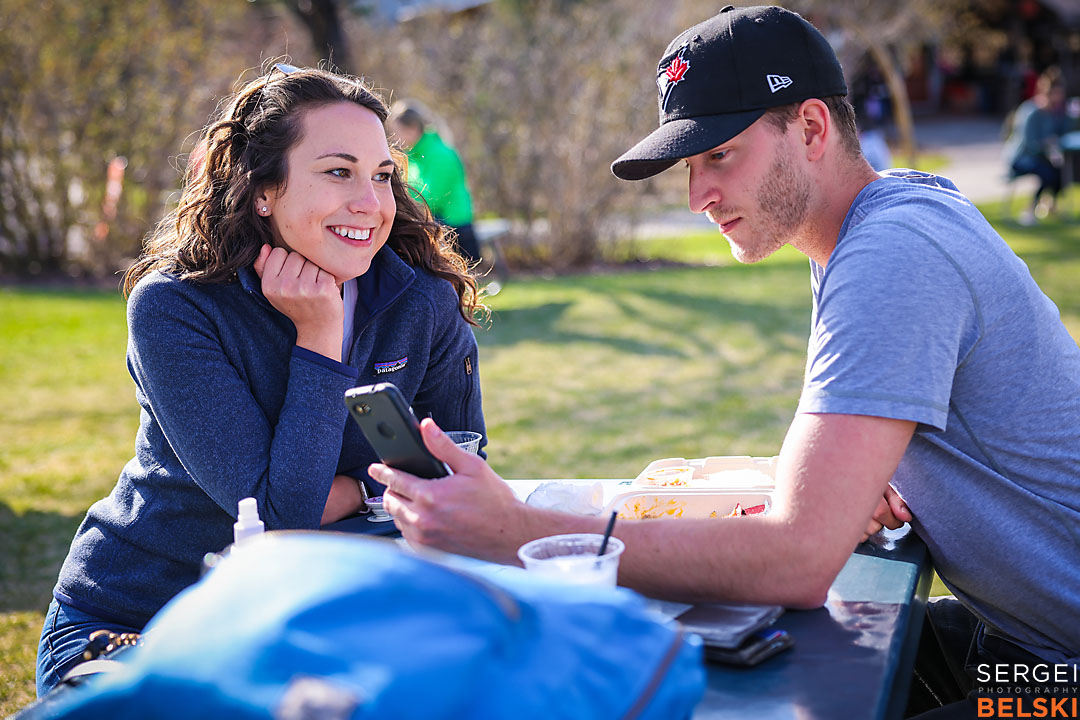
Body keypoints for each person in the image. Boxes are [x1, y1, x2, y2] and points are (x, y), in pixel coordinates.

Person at [370, 6, 1080, 717]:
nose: (697, 197)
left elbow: (799, 558)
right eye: (690, 165)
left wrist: (519, 533)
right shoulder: (866, 233)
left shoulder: (893, 250)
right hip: (1022, 644)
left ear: (810, 128)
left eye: (720, 156)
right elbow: (826, 508)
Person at [36, 64, 486, 696]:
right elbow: (277, 519)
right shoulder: (176, 307)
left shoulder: (423, 301)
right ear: (263, 191)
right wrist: (321, 341)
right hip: (147, 621)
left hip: (331, 615)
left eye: (383, 175)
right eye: (338, 171)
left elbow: (457, 477)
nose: (372, 201)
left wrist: (354, 487)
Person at [387, 100, 482, 266]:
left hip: (454, 227)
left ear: (413, 129)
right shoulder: (414, 156)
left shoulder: (440, 154)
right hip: (433, 223)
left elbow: (433, 196)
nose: (395, 139)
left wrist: (398, 199)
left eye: (398, 132)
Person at [1003, 67, 1068, 225]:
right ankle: (1029, 209)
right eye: (1055, 94)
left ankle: (1049, 205)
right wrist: (1047, 144)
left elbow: (1062, 133)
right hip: (1021, 157)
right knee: (1047, 173)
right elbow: (1030, 143)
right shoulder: (1032, 111)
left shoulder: (1054, 113)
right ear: (1046, 92)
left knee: (1060, 171)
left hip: (1040, 157)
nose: (1058, 98)